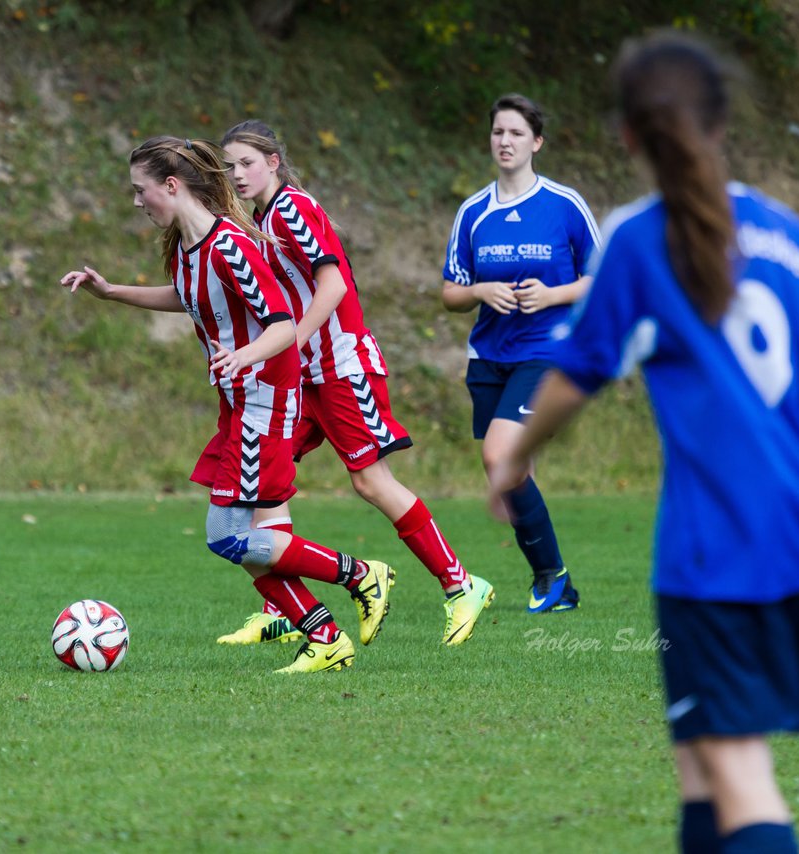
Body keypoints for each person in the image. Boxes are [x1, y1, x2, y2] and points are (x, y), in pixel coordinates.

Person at [488, 32, 799, 854]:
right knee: (699, 765)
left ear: (625, 135)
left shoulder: (639, 238)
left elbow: (578, 370)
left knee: (738, 770)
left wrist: (511, 457)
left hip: (713, 544)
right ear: (723, 124)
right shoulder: (793, 238)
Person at [61, 136, 395, 674]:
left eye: (139, 191)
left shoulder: (230, 245)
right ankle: (327, 633)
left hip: (267, 400)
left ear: (171, 187)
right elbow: (190, 297)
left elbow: (284, 325)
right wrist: (111, 292)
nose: (137, 202)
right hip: (239, 405)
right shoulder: (189, 250)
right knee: (233, 538)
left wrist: (243, 357)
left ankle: (357, 579)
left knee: (231, 536)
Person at [216, 119, 495, 647]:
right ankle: (284, 609)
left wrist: (292, 340)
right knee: (265, 485)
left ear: (273, 161)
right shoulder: (259, 218)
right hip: (304, 378)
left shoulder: (293, 207)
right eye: (230, 166)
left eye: (246, 163)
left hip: (341, 369)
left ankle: (462, 584)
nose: (237, 174)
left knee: (370, 481)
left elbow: (334, 281)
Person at [440, 93, 601, 613]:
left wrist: (553, 295)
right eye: (497, 132)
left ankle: (553, 578)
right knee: (511, 472)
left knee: (500, 457)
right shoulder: (473, 212)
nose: (504, 141)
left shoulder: (564, 205)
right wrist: (481, 292)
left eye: (515, 133)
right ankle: (556, 584)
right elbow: (450, 292)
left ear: (536, 142)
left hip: (546, 353)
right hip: (489, 356)